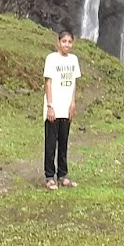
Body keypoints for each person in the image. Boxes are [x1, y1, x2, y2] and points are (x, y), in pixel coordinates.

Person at [42, 29, 81, 190]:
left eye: (69, 42)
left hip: (66, 107)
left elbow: (74, 83)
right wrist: (50, 106)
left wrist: (73, 104)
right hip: (54, 107)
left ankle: (62, 175)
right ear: (58, 42)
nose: (67, 44)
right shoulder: (51, 59)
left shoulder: (74, 60)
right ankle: (49, 176)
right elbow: (48, 82)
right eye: (64, 41)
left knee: (63, 142)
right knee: (51, 143)